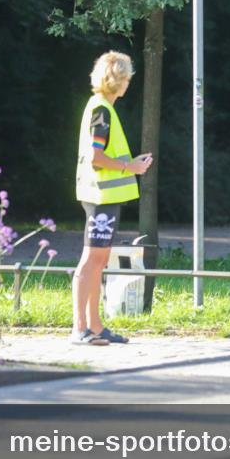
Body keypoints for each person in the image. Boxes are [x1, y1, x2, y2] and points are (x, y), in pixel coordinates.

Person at [70, 51, 152, 346]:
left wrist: (132, 162)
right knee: (92, 260)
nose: (129, 82)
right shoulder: (102, 110)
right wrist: (132, 166)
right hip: (100, 197)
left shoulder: (103, 107)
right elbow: (97, 156)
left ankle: (95, 326)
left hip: (104, 196)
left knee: (99, 260)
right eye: (127, 77)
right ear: (119, 79)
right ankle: (80, 328)